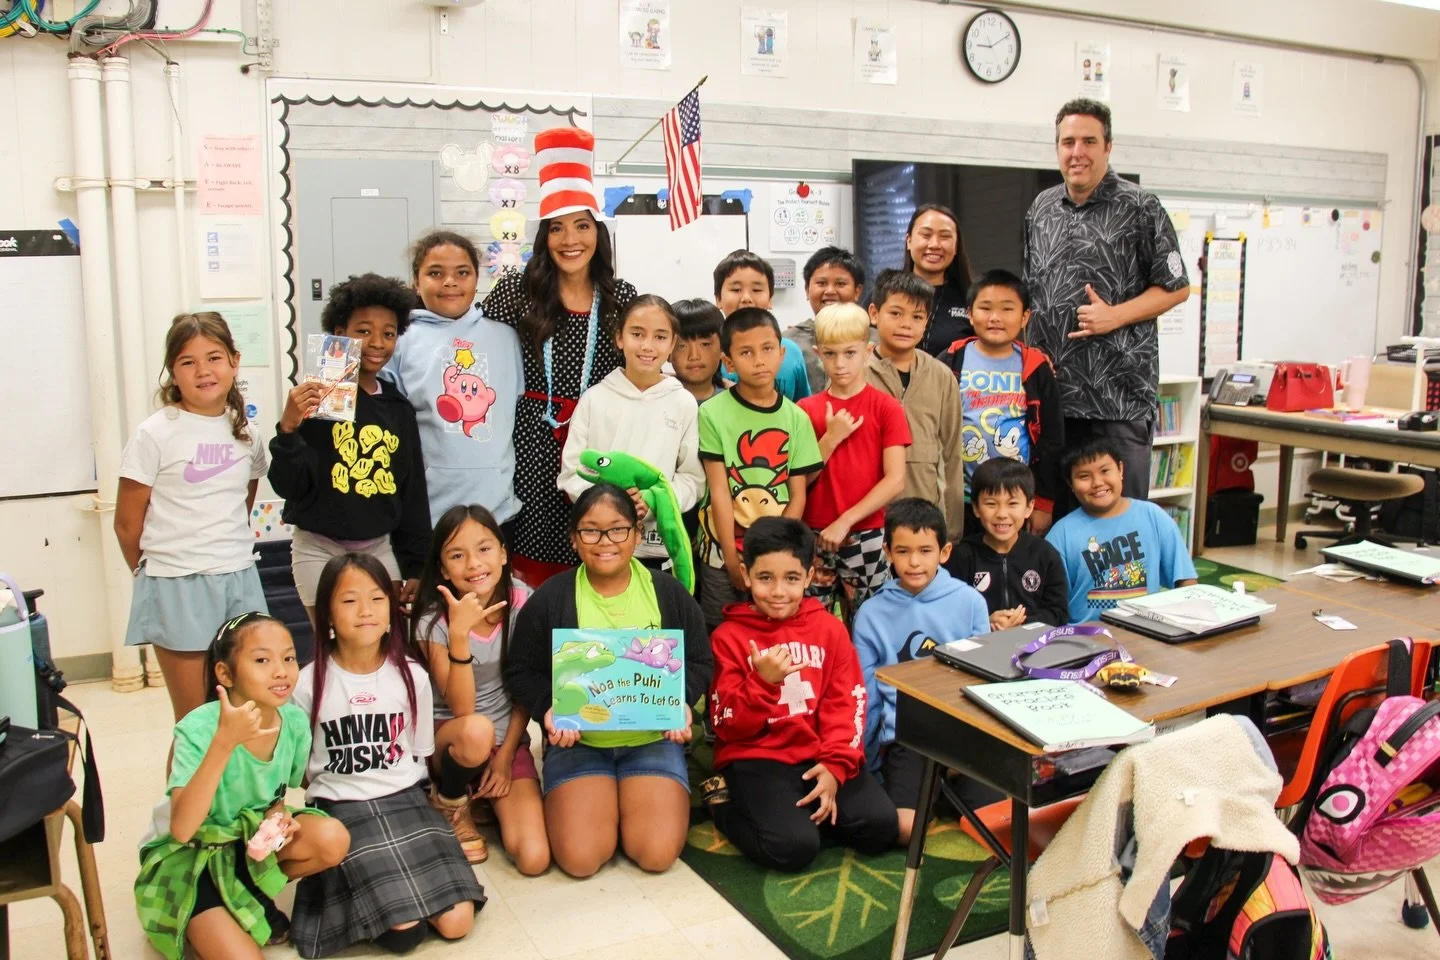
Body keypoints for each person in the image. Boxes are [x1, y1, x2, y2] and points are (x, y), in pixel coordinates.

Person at [504, 485, 712, 878]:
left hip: (650, 740)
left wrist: (680, 701)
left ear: (636, 534)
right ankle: (603, 807)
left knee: (655, 855)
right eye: (590, 531)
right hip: (581, 743)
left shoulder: (668, 593)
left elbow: (700, 660)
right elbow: (520, 670)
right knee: (581, 860)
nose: (605, 542)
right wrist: (548, 709)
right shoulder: (552, 597)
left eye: (618, 529)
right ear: (574, 539)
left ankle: (627, 807)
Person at [291, 554, 486, 957]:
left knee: (457, 923)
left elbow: (418, 754)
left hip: (405, 800)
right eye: (348, 601)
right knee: (403, 933)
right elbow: (303, 772)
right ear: (326, 611)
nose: (365, 611)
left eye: (377, 599)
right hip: (343, 806)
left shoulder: (411, 674)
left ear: (391, 609)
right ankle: (346, 896)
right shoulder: (305, 684)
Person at [134, 614, 349, 960]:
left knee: (331, 838)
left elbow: (277, 795)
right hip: (190, 856)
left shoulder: (292, 721)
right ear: (225, 673)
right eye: (262, 660)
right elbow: (182, 827)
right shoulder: (199, 729)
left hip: (243, 844)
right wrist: (224, 743)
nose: (280, 671)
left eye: (289, 658)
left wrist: (278, 822)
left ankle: (245, 890)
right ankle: (213, 908)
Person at [482, 128, 638, 586]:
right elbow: (473, 349)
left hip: (598, 447)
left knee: (596, 551)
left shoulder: (620, 298)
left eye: (582, 225)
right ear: (544, 236)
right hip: (529, 442)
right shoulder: (516, 292)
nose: (570, 239)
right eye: (557, 227)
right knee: (531, 567)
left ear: (598, 233)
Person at [703, 517, 898, 871]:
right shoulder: (728, 637)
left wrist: (835, 767)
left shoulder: (829, 628)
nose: (778, 591)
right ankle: (723, 804)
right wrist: (762, 683)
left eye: (791, 578)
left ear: (809, 577)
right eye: (765, 578)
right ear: (746, 576)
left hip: (819, 753)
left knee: (881, 826)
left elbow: (849, 702)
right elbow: (726, 725)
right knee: (793, 849)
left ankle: (803, 812)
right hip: (758, 756)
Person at [1024, 99, 1190, 505]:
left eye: (1088, 141)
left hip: (1118, 399)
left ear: (1108, 147)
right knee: (1057, 527)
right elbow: (1031, 295)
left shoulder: (1140, 207)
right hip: (1054, 398)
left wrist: (1115, 316)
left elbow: (1177, 286)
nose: (1076, 151)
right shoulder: (1040, 209)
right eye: (1067, 142)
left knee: (1120, 527)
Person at [115, 313, 270, 724]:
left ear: (235, 362)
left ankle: (241, 792)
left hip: (239, 578)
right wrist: (158, 576)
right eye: (188, 361)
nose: (203, 370)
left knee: (248, 711)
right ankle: (183, 792)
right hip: (177, 583)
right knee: (197, 721)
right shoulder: (155, 433)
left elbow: (242, 503)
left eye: (214, 357)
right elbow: (127, 524)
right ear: (173, 372)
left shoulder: (247, 434)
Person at [271, 273, 431, 626]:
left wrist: (417, 567)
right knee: (328, 649)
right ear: (339, 332)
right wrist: (288, 429)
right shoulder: (318, 397)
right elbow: (288, 486)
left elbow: (412, 493)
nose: (377, 342)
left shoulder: (397, 408)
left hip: (377, 548)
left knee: (385, 645)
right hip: (318, 546)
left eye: (389, 333)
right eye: (363, 331)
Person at [411, 504, 549, 875]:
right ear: (442, 568)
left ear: (504, 554)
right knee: (475, 729)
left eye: (485, 549)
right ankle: (451, 798)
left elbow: (525, 688)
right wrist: (459, 634)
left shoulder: (525, 602)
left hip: (505, 740)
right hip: (452, 738)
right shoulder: (432, 618)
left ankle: (481, 795)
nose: (473, 564)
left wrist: (505, 758)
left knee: (534, 858)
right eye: (457, 555)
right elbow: (461, 707)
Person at [852, 499, 989, 844]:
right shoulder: (870, 613)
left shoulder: (970, 601)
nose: (914, 562)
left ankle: (942, 786)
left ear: (943, 552)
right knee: (904, 832)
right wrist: (867, 764)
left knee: (995, 824)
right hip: (908, 737)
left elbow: (985, 679)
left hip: (963, 731)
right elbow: (866, 693)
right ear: (887, 552)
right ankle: (933, 790)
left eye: (925, 550)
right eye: (903, 551)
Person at [696, 307, 823, 630]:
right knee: (720, 632)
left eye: (767, 349)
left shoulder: (796, 418)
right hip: (721, 552)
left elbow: (797, 497)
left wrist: (768, 554)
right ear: (729, 362)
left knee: (772, 632)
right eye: (746, 352)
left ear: (782, 353)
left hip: (774, 554)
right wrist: (730, 555)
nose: (759, 360)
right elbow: (720, 491)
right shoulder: (712, 413)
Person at [384, 230, 522, 527]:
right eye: (435, 273)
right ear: (416, 282)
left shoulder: (506, 337)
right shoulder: (401, 339)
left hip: (497, 512)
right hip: (429, 515)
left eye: (463, 273)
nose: (450, 282)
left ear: (477, 280)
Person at [558, 295, 704, 570]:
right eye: (637, 334)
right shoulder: (595, 399)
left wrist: (654, 501)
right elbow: (572, 472)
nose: (647, 346)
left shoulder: (682, 402)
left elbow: (692, 479)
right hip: (602, 545)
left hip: (658, 548)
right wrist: (611, 506)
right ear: (620, 338)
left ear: (673, 344)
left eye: (660, 337)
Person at [797, 303, 910, 608]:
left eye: (850, 353)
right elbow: (797, 480)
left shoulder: (886, 407)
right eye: (831, 354)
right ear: (819, 354)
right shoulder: (805, 410)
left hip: (865, 533)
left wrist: (845, 521)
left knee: (871, 621)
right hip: (812, 533)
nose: (840, 364)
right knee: (811, 622)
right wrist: (830, 439)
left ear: (868, 350)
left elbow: (896, 479)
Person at [940, 268, 1064, 537]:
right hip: (960, 497)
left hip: (1016, 502)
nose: (995, 318)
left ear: (1024, 317)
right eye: (985, 308)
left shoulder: (1035, 367)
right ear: (970, 313)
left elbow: (1052, 438)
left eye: (1007, 309)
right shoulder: (952, 359)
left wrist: (1043, 503)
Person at [1045, 439, 1197, 624]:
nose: (1097, 483)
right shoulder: (1060, 535)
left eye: (1105, 471)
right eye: (1084, 476)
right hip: (1086, 638)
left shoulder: (1153, 516)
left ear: (1121, 470)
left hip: (1148, 631)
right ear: (1071, 483)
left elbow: (1185, 581)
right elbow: (1051, 605)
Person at [865, 269, 967, 535]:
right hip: (869, 521)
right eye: (896, 313)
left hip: (926, 517)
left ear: (926, 321)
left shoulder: (941, 376)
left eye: (917, 316)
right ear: (874, 314)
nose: (906, 324)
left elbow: (952, 454)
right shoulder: (855, 374)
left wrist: (952, 530)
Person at [945, 459, 1071, 630]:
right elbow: (951, 613)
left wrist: (1020, 623)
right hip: (979, 650)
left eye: (1012, 504)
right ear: (975, 508)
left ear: (1029, 507)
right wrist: (986, 622)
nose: (1002, 514)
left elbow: (1058, 613)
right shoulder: (961, 557)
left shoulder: (1044, 554)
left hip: (1036, 647)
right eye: (991, 504)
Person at [713, 249, 811, 402]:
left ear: (770, 298)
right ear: (718, 298)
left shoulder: (791, 352)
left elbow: (804, 407)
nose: (746, 298)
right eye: (736, 289)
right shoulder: (709, 353)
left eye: (757, 290)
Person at [788, 246, 866, 390]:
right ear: (807, 289)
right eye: (821, 283)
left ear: (857, 291)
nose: (830, 291)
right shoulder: (789, 343)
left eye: (840, 284)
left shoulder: (872, 340)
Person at [902, 204, 975, 355]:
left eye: (945, 236)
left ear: (956, 246)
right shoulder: (885, 292)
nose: (934, 245)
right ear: (909, 241)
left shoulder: (973, 299)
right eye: (926, 235)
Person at [669, 298, 728, 406]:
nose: (694, 356)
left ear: (722, 348)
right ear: (667, 352)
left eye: (705, 344)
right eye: (682, 346)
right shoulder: (658, 399)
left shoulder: (733, 402)